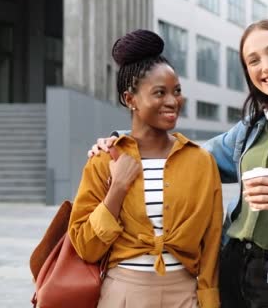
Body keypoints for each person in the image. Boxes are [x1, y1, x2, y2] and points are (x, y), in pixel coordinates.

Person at [88, 20, 268, 308]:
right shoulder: (251, 129)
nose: (265, 66)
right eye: (253, 60)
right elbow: (187, 156)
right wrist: (123, 140)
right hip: (232, 268)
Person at [69, 29, 222, 308]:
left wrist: (209, 300)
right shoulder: (104, 159)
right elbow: (85, 246)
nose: (172, 101)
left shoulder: (201, 161)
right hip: (124, 294)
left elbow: (211, 241)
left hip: (185, 294)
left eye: (176, 91)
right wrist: (117, 188)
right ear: (131, 100)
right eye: (159, 93)